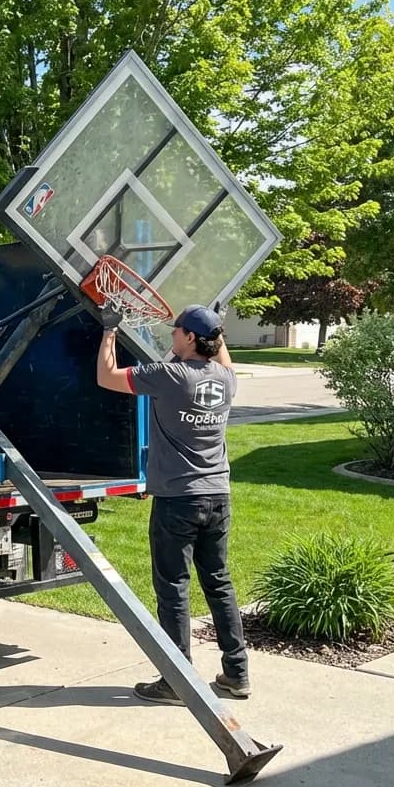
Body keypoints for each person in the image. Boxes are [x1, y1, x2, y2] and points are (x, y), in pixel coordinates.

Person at [95, 301, 250, 704]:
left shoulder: (170, 377)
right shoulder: (227, 380)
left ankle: (176, 680)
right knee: (218, 582)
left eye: (177, 329)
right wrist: (217, 325)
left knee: (174, 588)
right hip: (218, 496)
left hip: (178, 499)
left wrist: (110, 329)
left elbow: (106, 377)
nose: (172, 334)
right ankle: (237, 673)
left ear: (191, 338)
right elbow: (221, 357)